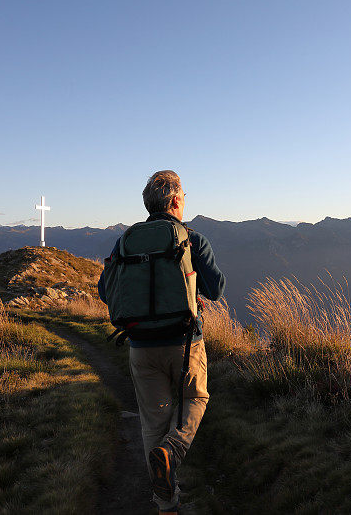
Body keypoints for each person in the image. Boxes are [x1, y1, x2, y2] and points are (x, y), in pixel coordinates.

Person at [98, 170, 226, 515]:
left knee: (153, 421)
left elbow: (104, 290)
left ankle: (165, 504)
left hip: (141, 346)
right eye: (183, 198)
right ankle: (173, 450)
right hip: (185, 343)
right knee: (195, 398)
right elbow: (215, 289)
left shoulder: (125, 240)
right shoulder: (191, 238)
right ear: (174, 201)